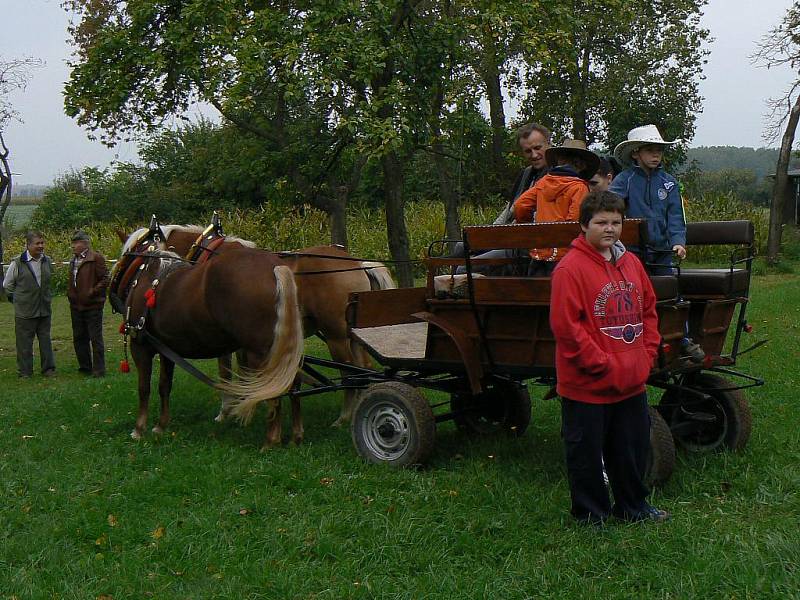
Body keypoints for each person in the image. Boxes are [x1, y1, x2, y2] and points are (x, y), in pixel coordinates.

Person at [550, 191, 668, 524]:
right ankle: (591, 515)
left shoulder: (631, 262)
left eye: (616, 222)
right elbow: (567, 328)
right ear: (584, 224)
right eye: (601, 222)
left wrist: (646, 355)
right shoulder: (570, 269)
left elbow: (648, 311)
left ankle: (634, 507)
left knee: (630, 450)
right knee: (586, 454)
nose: (610, 229)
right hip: (589, 383)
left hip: (631, 381)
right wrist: (602, 364)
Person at [513, 139, 599, 274]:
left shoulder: (542, 183)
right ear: (581, 164)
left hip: (538, 254)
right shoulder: (579, 187)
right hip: (565, 257)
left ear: (559, 160)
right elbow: (575, 222)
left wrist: (529, 227)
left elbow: (520, 206)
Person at [609, 124, 686, 271]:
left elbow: (675, 215)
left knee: (665, 289)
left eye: (659, 150)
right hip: (631, 250)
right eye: (650, 150)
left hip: (663, 250)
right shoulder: (624, 180)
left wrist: (678, 242)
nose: (656, 155)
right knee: (635, 288)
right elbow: (608, 207)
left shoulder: (669, 183)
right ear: (635, 154)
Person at [3, 231, 56, 378]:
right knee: (24, 343)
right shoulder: (17, 263)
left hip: (44, 309)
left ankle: (48, 369)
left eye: (42, 243)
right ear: (28, 245)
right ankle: (25, 372)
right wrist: (19, 299)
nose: (41, 246)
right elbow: (7, 285)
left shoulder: (47, 261)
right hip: (25, 312)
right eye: (37, 243)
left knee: (45, 341)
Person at [67, 230, 109, 377]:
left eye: (75, 243)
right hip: (76, 305)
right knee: (79, 337)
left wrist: (92, 291)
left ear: (84, 244)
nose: (72, 246)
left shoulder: (96, 258)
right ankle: (85, 367)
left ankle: (99, 369)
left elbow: (105, 279)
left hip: (92, 305)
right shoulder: (73, 260)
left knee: (95, 338)